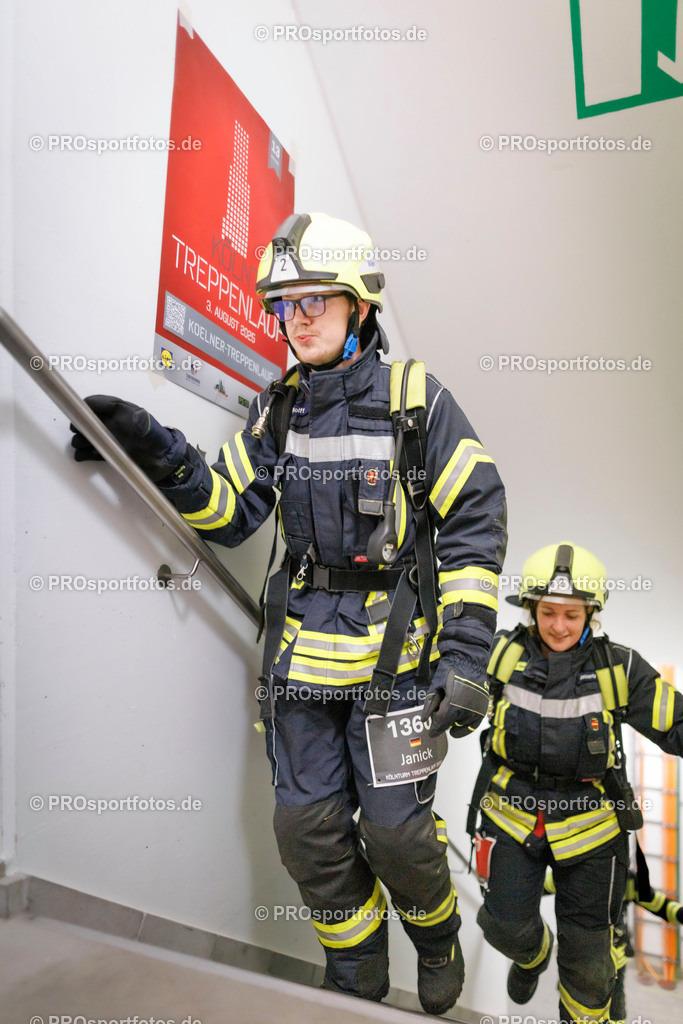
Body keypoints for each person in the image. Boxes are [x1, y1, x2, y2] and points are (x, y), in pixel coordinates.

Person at [70, 212, 507, 1014]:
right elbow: (230, 510)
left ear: (358, 305)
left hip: (398, 666)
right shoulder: (278, 408)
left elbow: (474, 520)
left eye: (314, 300)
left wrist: (466, 655)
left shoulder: (416, 397)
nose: (295, 319)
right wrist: (153, 449)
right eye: (283, 304)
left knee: (398, 835)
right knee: (306, 834)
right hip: (300, 663)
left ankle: (436, 937)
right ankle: (356, 975)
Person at [468, 541, 683, 1024]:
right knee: (503, 926)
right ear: (531, 609)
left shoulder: (619, 668)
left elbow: (677, 722)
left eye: (572, 614)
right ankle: (533, 956)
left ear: (592, 613)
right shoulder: (500, 654)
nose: (559, 626)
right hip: (510, 816)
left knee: (588, 963)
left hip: (593, 829)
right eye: (548, 612)